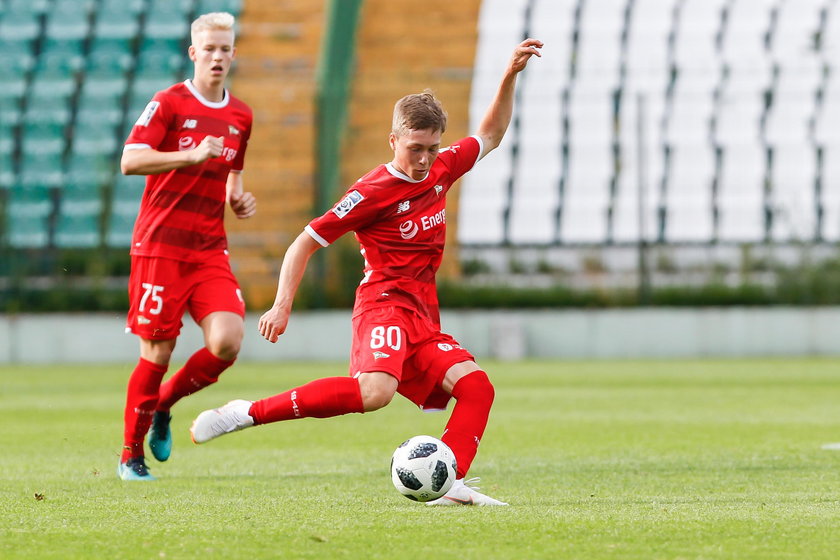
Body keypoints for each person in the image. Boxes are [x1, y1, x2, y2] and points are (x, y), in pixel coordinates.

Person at [191, 38, 543, 505]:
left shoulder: (439, 169)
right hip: (383, 305)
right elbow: (305, 242)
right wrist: (281, 304)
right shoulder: (372, 191)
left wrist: (509, 74)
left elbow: (492, 135)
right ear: (394, 139)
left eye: (432, 148)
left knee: (477, 386)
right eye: (415, 148)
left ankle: (448, 479)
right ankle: (246, 413)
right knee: (375, 392)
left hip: (421, 312)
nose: (423, 160)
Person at [117, 12, 256, 481]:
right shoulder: (169, 103)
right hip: (159, 247)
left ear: (234, 53)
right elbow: (130, 159)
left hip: (208, 248)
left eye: (225, 49)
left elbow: (231, 174)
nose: (218, 57)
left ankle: (163, 406)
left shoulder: (241, 116)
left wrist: (236, 198)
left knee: (227, 341)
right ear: (194, 53)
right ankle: (130, 456)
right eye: (209, 49)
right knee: (157, 354)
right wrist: (188, 154)